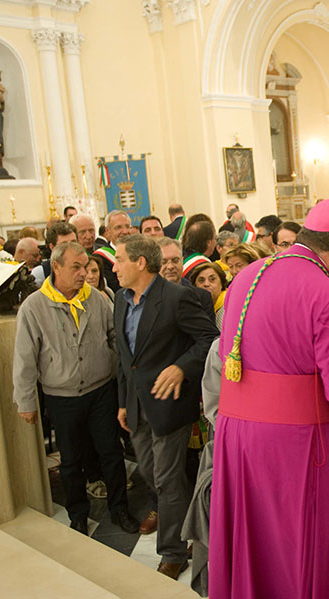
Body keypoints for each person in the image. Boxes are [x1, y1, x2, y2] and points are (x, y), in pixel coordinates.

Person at [206, 198, 329, 599]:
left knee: (254, 544)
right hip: (301, 447)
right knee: (304, 548)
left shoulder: (248, 274)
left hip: (241, 440)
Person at [13, 242, 138, 537]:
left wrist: (117, 377)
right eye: (76, 268)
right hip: (62, 396)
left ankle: (119, 508)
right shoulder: (34, 306)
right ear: (56, 267)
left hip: (100, 391)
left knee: (110, 452)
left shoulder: (96, 299)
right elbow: (24, 358)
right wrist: (26, 402)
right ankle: (78, 515)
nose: (84, 274)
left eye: (85, 267)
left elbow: (115, 339)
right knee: (70, 461)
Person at [113, 234, 218, 579]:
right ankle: (188, 527)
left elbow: (208, 340)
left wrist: (179, 368)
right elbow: (125, 358)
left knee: (168, 479)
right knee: (151, 473)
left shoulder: (176, 298)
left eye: (119, 260)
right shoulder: (120, 299)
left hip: (169, 404)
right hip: (136, 404)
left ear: (140, 263)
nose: (114, 267)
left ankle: (173, 551)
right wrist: (123, 402)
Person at [93, 210, 133, 292]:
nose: (125, 231)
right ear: (107, 231)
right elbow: (114, 287)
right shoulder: (100, 257)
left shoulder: (139, 252)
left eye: (127, 226)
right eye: (118, 227)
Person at [32, 221, 78, 287]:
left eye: (73, 242)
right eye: (64, 244)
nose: (70, 247)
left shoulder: (88, 266)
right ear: (52, 247)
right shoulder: (41, 272)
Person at [188, 261, 227, 330]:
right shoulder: (192, 308)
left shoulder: (228, 306)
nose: (206, 284)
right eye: (201, 280)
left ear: (222, 283)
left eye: (212, 279)